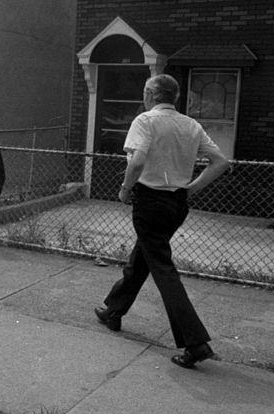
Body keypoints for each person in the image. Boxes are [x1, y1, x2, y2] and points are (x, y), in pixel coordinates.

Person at [94, 74, 231, 370]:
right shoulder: (191, 125)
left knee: (163, 269)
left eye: (145, 92)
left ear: (150, 94)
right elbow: (221, 161)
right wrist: (190, 188)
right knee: (144, 256)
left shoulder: (145, 121)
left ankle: (195, 343)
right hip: (176, 204)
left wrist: (125, 188)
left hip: (150, 201)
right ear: (175, 97)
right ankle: (113, 311)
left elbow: (139, 160)